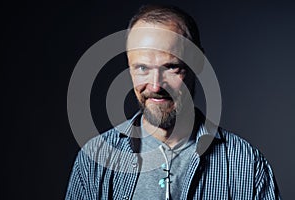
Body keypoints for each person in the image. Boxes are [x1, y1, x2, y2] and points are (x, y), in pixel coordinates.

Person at [66, 4, 281, 200]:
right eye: (142, 68)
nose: (155, 86)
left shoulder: (246, 164)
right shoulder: (93, 160)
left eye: (170, 67)